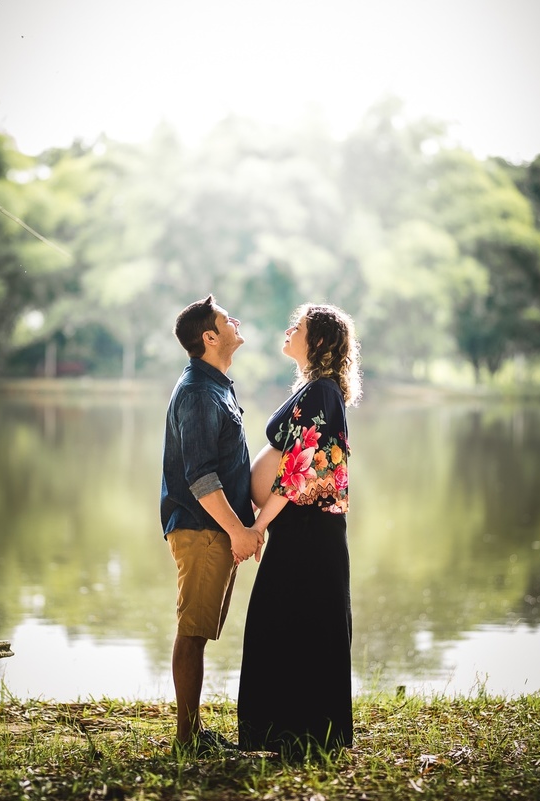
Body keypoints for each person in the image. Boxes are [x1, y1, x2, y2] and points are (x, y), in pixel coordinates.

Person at [237, 302, 361, 757]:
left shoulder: (323, 392)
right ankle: (282, 734)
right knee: (282, 624)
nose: (290, 329)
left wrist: (257, 524)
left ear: (321, 342)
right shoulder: (313, 389)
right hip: (301, 531)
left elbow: (302, 469)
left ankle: (305, 735)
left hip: (309, 530)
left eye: (300, 326)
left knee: (292, 625)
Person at [161, 294, 265, 756]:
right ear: (210, 337)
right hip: (204, 530)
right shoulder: (200, 392)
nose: (235, 321)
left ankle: (193, 733)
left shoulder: (216, 384)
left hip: (217, 530)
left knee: (199, 629)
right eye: (227, 320)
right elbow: (201, 478)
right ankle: (187, 740)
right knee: (192, 630)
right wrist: (238, 531)